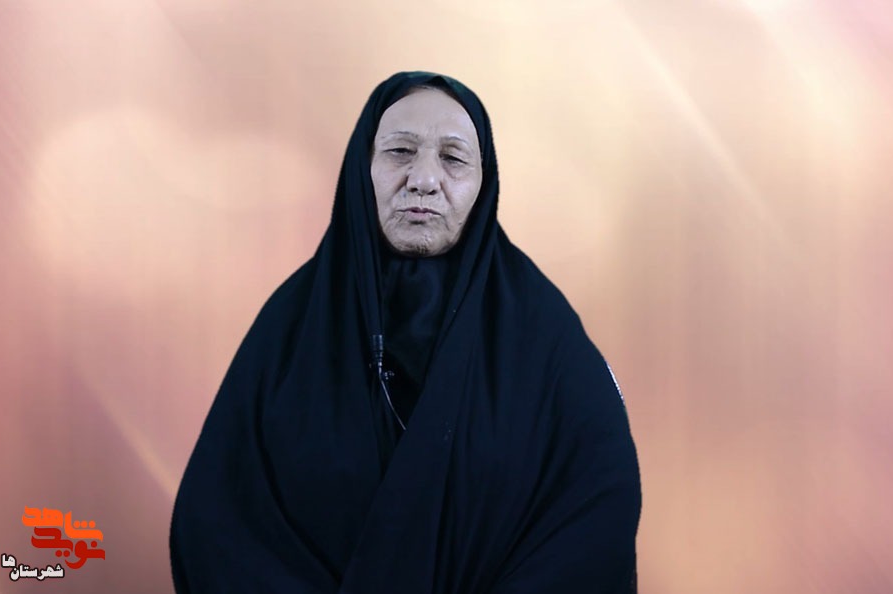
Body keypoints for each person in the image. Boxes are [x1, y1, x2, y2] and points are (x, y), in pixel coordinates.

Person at [169, 71, 641, 593]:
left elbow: (598, 507)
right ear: (362, 167)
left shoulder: (544, 335)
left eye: (453, 158)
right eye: (400, 152)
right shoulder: (291, 328)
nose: (424, 179)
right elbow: (218, 520)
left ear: (484, 182)